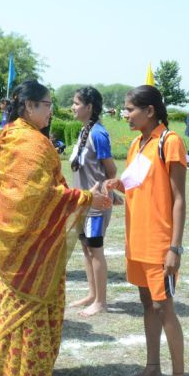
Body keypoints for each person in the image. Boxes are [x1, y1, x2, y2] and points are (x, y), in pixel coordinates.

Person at [0, 80, 111, 376]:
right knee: (34, 305)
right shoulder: (31, 143)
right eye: (47, 105)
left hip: (16, 243)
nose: (51, 111)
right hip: (33, 246)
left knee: (14, 306)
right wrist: (85, 198)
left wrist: (81, 197)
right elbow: (39, 195)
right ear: (29, 106)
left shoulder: (9, 136)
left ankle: (5, 372)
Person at [105, 85, 188, 376]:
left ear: (150, 111)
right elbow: (136, 187)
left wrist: (174, 247)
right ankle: (152, 368)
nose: (125, 114)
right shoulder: (136, 144)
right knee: (147, 304)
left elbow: (178, 199)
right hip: (136, 240)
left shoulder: (170, 142)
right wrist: (117, 186)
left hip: (159, 243)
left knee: (163, 307)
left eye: (130, 109)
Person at [67, 86, 118, 317]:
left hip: (96, 205)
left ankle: (101, 301)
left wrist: (107, 193)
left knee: (95, 250)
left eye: (77, 103)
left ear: (89, 107)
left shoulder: (98, 134)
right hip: (83, 201)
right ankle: (92, 294)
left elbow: (111, 170)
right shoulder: (84, 130)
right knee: (86, 249)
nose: (73, 107)